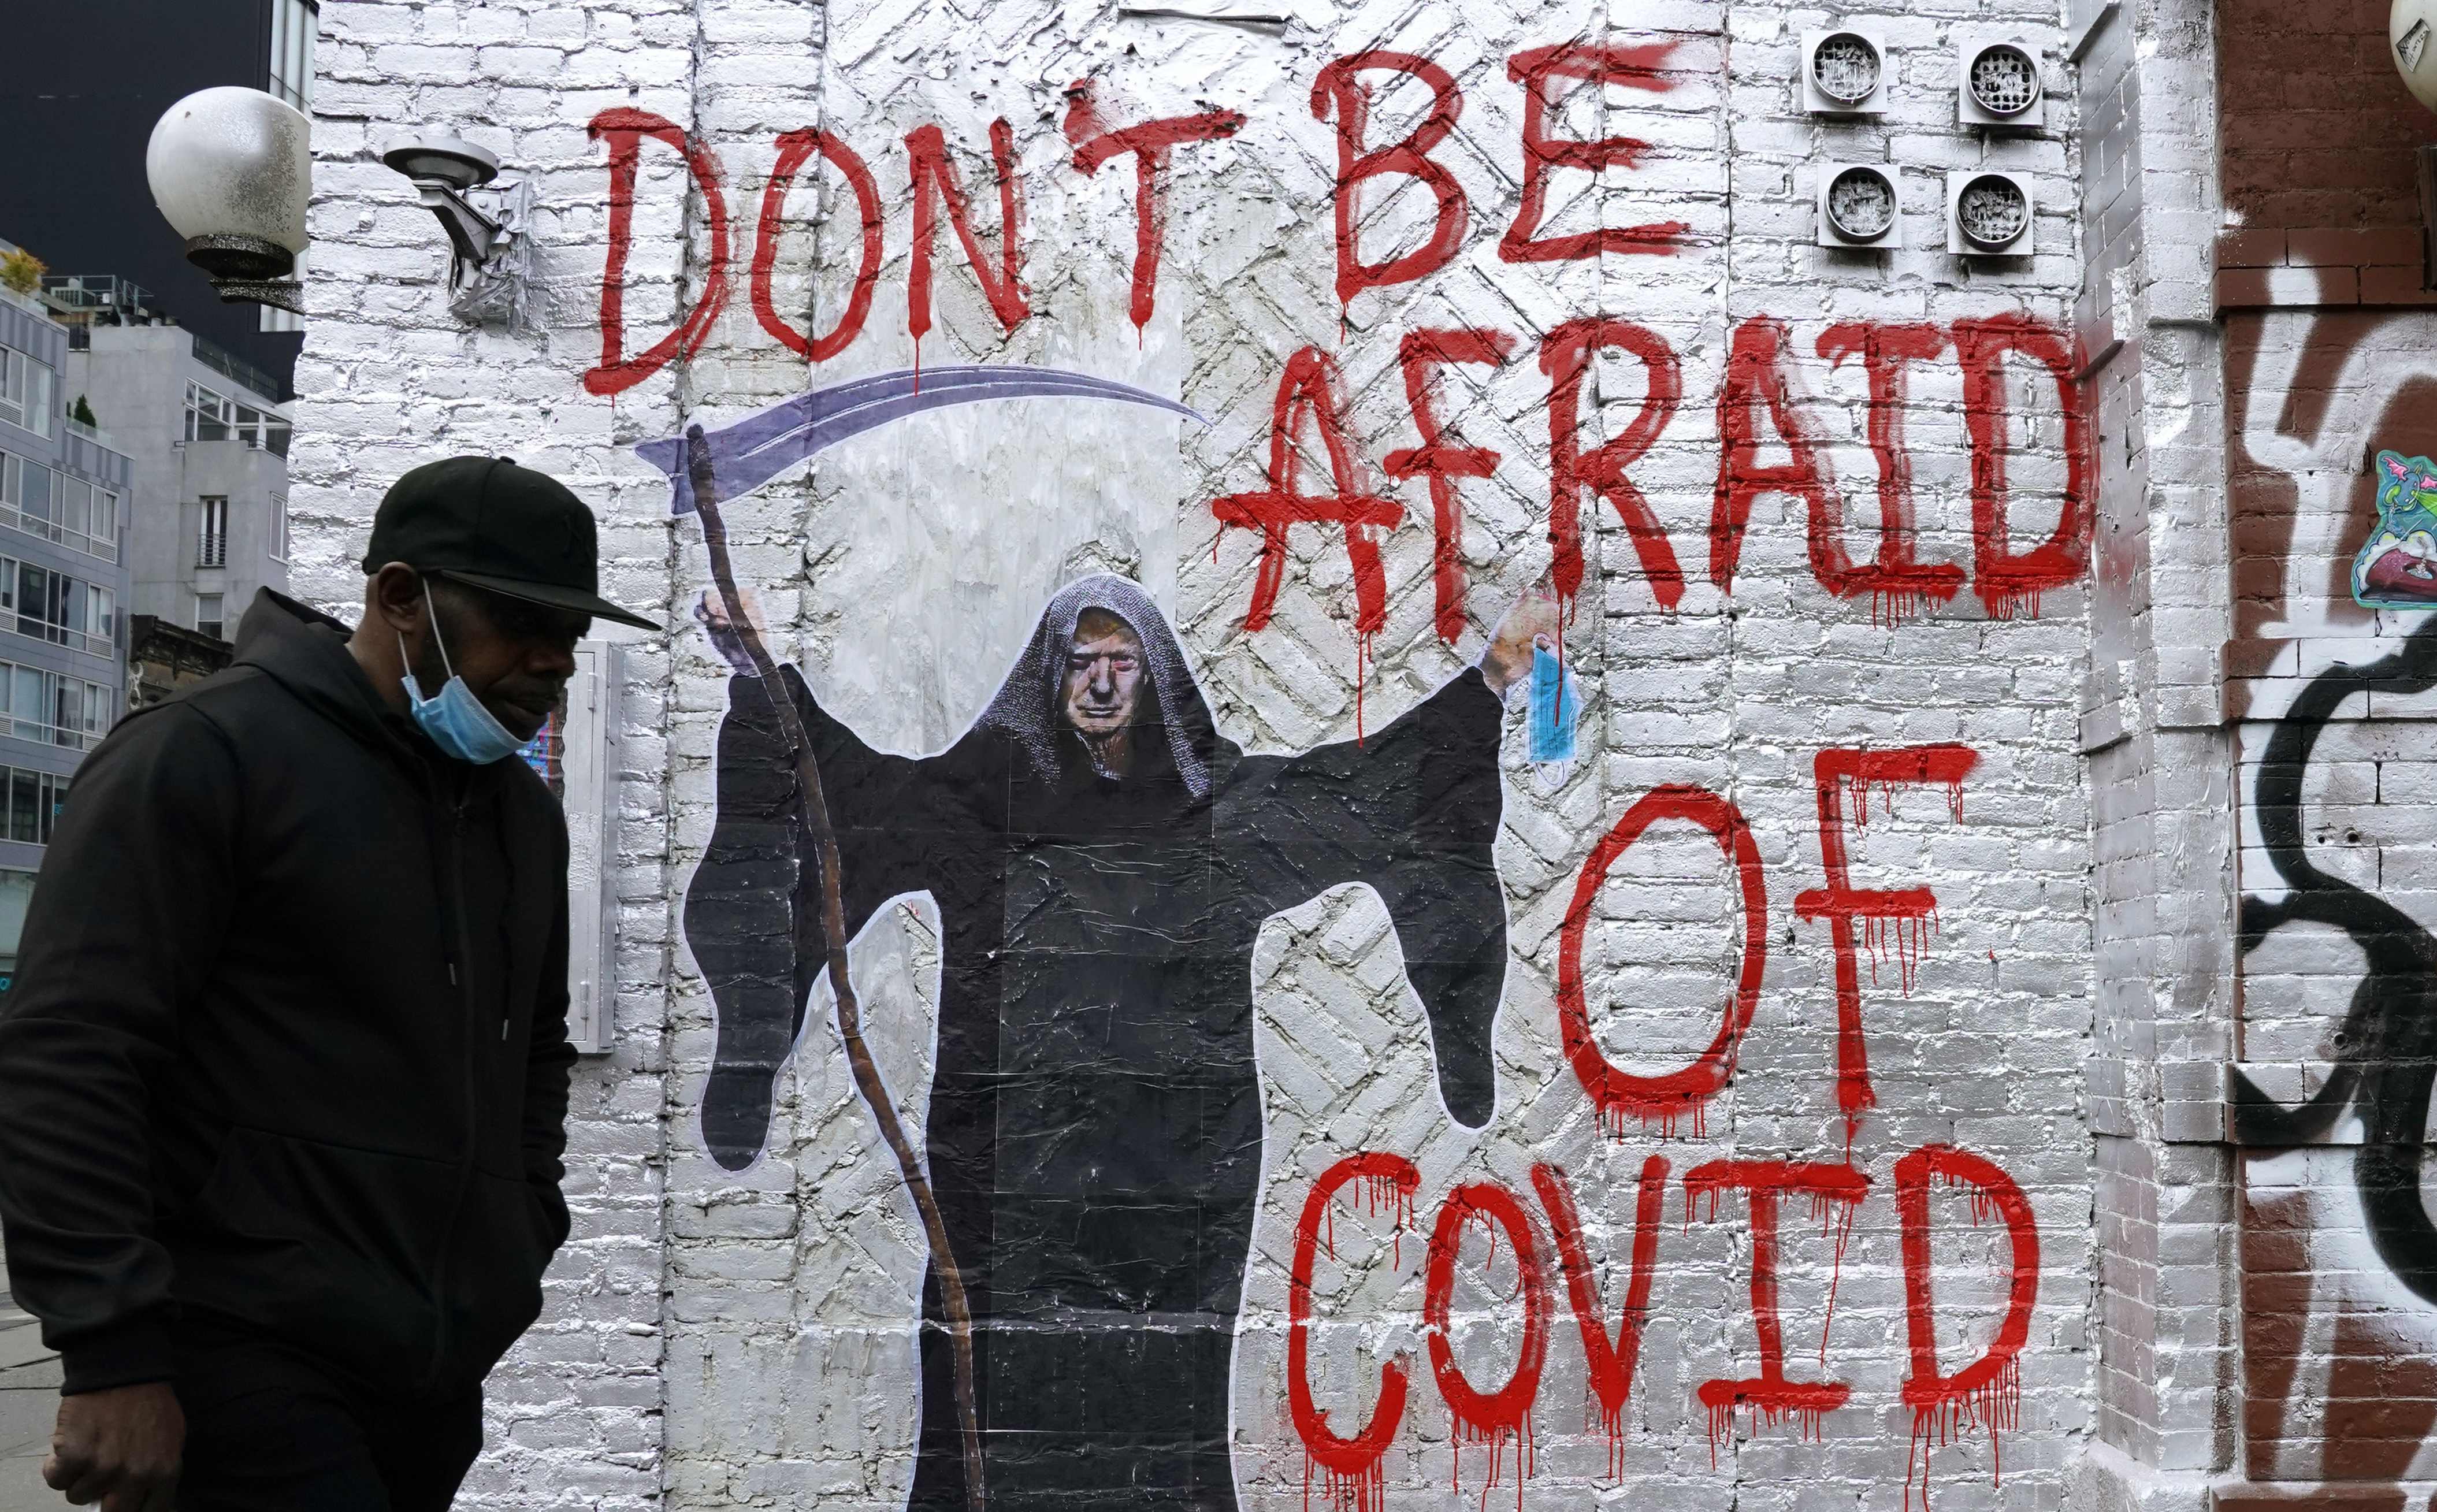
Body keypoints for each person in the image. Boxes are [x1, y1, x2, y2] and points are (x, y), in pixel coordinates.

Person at [685, 573, 1558, 1510]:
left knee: (1159, 1422)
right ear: (1048, 676)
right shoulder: (983, 803)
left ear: (1153, 678)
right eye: (1081, 660)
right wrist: (763, 670)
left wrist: (1498, 670)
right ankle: (755, 1028)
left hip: (1175, 1180)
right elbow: (845, 794)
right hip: (1004, 1174)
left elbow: (1366, 789)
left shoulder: (1217, 810)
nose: (1100, 682)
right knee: (988, 1408)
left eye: (1121, 661)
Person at [0, 457, 658, 1512]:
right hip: (237, 1354)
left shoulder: (518, 819)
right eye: (519, 620)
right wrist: (112, 1349)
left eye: (571, 635)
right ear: (401, 598)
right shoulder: (207, 755)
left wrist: (518, 1228)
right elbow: (70, 1054)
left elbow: (532, 1049)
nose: (551, 659)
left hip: (431, 1372)